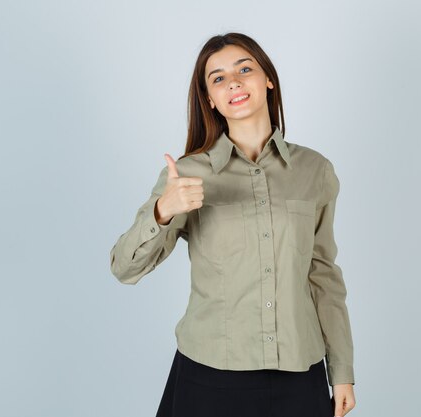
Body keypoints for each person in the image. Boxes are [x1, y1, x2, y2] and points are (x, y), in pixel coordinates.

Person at [109, 32, 357, 417]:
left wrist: (341, 371)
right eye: (218, 77)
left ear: (268, 79)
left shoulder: (315, 171)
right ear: (210, 99)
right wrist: (163, 210)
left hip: (299, 373)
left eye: (245, 69)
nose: (234, 82)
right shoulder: (189, 173)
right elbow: (124, 268)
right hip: (211, 376)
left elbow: (323, 275)